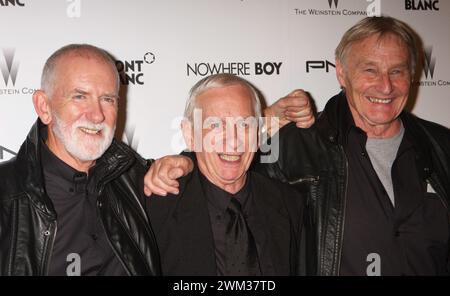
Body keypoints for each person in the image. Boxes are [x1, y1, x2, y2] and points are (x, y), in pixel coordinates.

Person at [257, 16, 450, 276]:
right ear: (341, 73)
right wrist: (258, 124)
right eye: (370, 70)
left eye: (397, 71)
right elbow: (222, 184)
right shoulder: (293, 146)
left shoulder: (442, 146)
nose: (385, 86)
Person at [0, 44, 191, 276]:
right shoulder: (7, 194)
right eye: (80, 96)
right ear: (44, 106)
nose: (97, 115)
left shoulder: (132, 178)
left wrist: (188, 161)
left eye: (108, 99)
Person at [146, 74, 305, 275]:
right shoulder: (156, 210)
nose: (233, 141)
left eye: (245, 125)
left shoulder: (290, 204)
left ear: (258, 135)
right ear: (189, 135)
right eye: (216, 125)